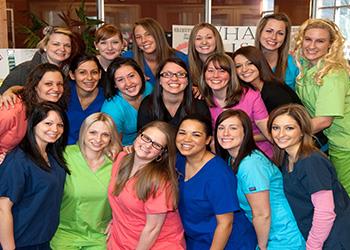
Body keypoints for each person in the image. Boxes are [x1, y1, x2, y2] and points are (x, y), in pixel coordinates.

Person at [215, 109, 305, 250]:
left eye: (233, 128)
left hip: (283, 238)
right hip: (268, 235)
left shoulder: (251, 164)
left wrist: (262, 247)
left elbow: (262, 214)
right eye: (221, 128)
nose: (225, 133)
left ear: (246, 133)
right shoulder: (232, 160)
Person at [268, 104, 350, 249]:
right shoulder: (287, 159)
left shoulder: (311, 161)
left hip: (336, 238)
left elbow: (325, 212)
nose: (280, 134)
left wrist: (313, 246)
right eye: (275, 128)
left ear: (302, 131)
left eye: (289, 128)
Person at [176, 114, 257, 249]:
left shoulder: (218, 174)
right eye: (182, 133)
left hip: (227, 242)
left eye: (196, 135)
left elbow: (225, 224)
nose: (187, 139)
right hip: (196, 239)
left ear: (208, 140)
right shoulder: (179, 160)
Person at [0, 102, 69, 250]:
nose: (55, 129)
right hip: (19, 242)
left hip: (43, 241)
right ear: (34, 124)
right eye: (48, 123)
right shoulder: (18, 160)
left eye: (60, 125)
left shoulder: (54, 157)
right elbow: (2, 208)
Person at [107, 121, 185, 249]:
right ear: (138, 135)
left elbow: (153, 229)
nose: (147, 146)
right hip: (124, 237)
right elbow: (119, 198)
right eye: (146, 138)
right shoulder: (121, 159)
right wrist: (116, 219)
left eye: (156, 145)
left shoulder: (159, 180)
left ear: (161, 153)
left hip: (157, 244)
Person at [294, 18, 350, 193]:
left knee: (344, 196)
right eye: (308, 39)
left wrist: (287, 133)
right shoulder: (306, 68)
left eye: (320, 41)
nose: (312, 46)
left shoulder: (333, 73)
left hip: (345, 144)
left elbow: (324, 120)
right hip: (334, 142)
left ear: (330, 45)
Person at [51, 112, 122, 250]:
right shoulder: (64, 155)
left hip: (98, 236)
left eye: (105, 135)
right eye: (93, 132)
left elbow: (126, 200)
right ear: (83, 132)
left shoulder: (117, 164)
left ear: (111, 138)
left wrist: (116, 220)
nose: (98, 139)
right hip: (64, 233)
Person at [198, 52, 273, 157]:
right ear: (204, 74)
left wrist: (240, 138)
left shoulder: (250, 96)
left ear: (231, 75)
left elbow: (268, 133)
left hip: (257, 155)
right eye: (210, 71)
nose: (215, 75)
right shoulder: (202, 100)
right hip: (226, 157)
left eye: (222, 71)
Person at [0, 63, 68, 157]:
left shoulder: (47, 107)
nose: (56, 89)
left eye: (59, 84)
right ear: (35, 86)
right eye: (49, 84)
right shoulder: (12, 109)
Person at [0, 26, 80, 94]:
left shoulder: (72, 73)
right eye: (56, 44)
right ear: (45, 46)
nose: (62, 49)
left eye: (67, 45)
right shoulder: (23, 70)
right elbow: (3, 96)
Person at [138, 57, 210, 130]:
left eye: (181, 74)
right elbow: (143, 137)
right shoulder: (148, 104)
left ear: (188, 80)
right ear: (159, 80)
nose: (174, 79)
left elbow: (204, 136)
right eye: (167, 74)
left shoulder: (199, 105)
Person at [232, 45, 301, 113]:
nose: (244, 69)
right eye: (238, 66)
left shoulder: (275, 92)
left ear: (260, 63)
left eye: (250, 63)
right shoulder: (246, 90)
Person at [101, 57, 153, 146]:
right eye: (120, 80)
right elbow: (113, 146)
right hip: (126, 150)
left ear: (140, 75)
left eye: (131, 76)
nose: (128, 83)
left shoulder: (149, 88)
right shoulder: (112, 109)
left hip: (151, 142)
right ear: (115, 85)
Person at [123, 17, 188, 85]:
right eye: (138, 37)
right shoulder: (128, 58)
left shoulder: (181, 58)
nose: (143, 40)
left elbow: (190, 85)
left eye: (148, 34)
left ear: (158, 35)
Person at [66, 54, 105, 145]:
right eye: (82, 72)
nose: (89, 78)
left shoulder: (106, 99)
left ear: (100, 74)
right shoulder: (62, 94)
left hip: (93, 149)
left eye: (94, 72)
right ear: (72, 75)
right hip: (60, 149)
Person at [255, 13, 298, 90]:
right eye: (269, 31)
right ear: (259, 32)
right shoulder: (246, 61)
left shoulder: (294, 63)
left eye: (280, 33)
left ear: (285, 37)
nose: (273, 37)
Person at [94, 24, 126, 89]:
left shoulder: (128, 67)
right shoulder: (89, 66)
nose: (110, 48)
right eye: (103, 43)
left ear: (122, 44)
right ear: (96, 45)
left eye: (115, 42)